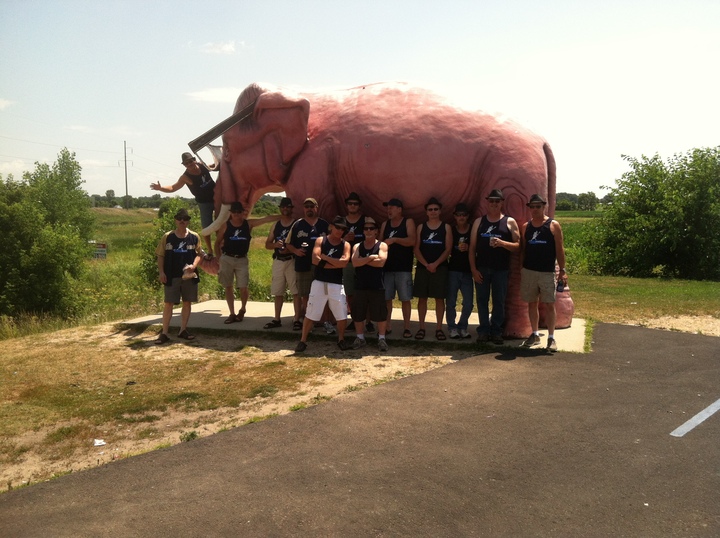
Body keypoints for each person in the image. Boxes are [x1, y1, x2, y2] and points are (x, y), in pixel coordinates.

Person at [469, 189, 521, 345]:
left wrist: (502, 243)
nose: (494, 204)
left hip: (501, 269)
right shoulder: (479, 222)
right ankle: (484, 331)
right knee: (482, 300)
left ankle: (496, 331)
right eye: (491, 201)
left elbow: (518, 246)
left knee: (499, 301)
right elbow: (472, 248)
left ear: (502, 203)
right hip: (482, 269)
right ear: (487, 202)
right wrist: (473, 269)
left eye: (497, 201)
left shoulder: (509, 222)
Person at [295, 217, 352, 352]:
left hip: (336, 283)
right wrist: (335, 263)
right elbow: (315, 259)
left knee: (341, 314)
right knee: (311, 312)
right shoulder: (321, 240)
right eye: (337, 227)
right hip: (319, 282)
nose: (340, 231)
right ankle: (303, 340)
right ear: (331, 227)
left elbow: (344, 263)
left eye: (343, 229)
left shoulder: (345, 245)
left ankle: (341, 339)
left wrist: (325, 258)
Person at [519, 193, 567, 351]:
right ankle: (534, 334)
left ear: (544, 206)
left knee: (549, 304)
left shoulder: (553, 225)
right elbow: (524, 250)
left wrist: (563, 270)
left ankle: (551, 338)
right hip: (529, 271)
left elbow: (560, 250)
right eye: (532, 207)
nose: (534, 209)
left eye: (538, 206)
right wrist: (522, 268)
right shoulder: (526, 226)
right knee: (531, 303)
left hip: (547, 272)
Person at [214, 202, 275, 324]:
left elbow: (266, 219)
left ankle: (242, 309)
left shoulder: (248, 224)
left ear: (243, 213)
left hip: (242, 259)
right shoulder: (225, 226)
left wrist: (283, 216)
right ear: (230, 213)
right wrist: (219, 258)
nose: (236, 214)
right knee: (228, 286)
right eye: (234, 212)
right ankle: (231, 313)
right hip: (227, 258)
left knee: (243, 287)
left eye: (239, 212)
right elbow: (217, 242)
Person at [154, 208, 203, 344]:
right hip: (171, 275)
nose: (182, 221)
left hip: (189, 276)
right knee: (168, 303)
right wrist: (161, 272)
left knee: (187, 302)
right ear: (175, 220)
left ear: (188, 221)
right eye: (179, 218)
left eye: (185, 219)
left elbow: (199, 254)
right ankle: (164, 333)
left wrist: (194, 265)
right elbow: (160, 255)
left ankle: (183, 330)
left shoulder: (194, 237)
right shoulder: (167, 236)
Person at [150, 152, 217, 251]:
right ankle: (210, 251)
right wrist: (160, 188)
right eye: (186, 163)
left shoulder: (202, 166)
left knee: (223, 221)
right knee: (206, 227)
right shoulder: (185, 177)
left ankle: (224, 245)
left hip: (217, 197)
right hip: (204, 203)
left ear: (194, 160)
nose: (189, 164)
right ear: (184, 165)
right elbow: (173, 188)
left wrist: (223, 161)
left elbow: (214, 166)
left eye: (190, 161)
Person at [285, 198, 329, 329]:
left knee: (323, 294)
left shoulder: (324, 225)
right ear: (303, 209)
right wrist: (296, 251)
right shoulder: (297, 225)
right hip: (302, 265)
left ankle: (323, 321)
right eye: (306, 206)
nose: (309, 208)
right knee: (305, 294)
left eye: (311, 206)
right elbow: (288, 243)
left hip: (321, 266)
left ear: (317, 207)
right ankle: (308, 321)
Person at [413, 197, 453, 340]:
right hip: (423, 267)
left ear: (440, 211)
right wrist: (426, 264)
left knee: (439, 299)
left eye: (436, 209)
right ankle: (422, 327)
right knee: (422, 298)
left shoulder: (446, 227)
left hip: (440, 267)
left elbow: (448, 249)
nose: (433, 212)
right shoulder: (421, 227)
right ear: (426, 212)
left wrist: (435, 264)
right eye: (430, 209)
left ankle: (438, 328)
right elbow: (416, 248)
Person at [349, 217, 390, 351]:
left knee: (380, 313)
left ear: (376, 231)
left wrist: (363, 260)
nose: (368, 231)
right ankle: (360, 338)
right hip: (360, 285)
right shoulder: (357, 246)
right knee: (358, 313)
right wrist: (371, 258)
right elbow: (354, 263)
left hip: (377, 285)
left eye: (371, 228)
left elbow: (381, 262)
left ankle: (382, 339)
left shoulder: (382, 245)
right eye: (366, 229)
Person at [379, 198, 416, 339]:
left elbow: (412, 240)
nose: (389, 210)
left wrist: (395, 240)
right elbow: (381, 243)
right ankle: (387, 327)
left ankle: (407, 327)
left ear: (400, 209)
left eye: (392, 207)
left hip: (403, 269)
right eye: (388, 208)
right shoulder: (385, 224)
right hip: (387, 268)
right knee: (387, 299)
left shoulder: (408, 222)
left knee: (405, 299)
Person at [263, 197, 300, 329]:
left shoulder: (296, 224)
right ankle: (277, 319)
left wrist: (290, 249)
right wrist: (275, 245)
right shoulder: (276, 225)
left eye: (288, 207)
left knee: (296, 291)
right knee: (278, 291)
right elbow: (267, 244)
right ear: (280, 208)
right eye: (283, 207)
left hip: (292, 260)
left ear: (292, 209)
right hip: (278, 261)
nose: (285, 209)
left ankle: (296, 319)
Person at [341, 192, 373, 333]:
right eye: (350, 204)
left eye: (355, 204)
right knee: (350, 293)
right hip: (348, 262)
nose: (352, 206)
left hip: (364, 261)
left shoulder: (366, 220)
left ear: (359, 206)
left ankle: (369, 321)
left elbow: (374, 236)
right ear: (347, 206)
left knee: (366, 292)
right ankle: (355, 320)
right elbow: (334, 241)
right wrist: (344, 238)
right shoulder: (341, 222)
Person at [446, 203, 474, 339]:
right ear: (455, 217)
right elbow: (446, 248)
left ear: (468, 216)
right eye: (459, 215)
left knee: (468, 303)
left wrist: (470, 248)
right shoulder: (451, 230)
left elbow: (478, 248)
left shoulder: (472, 229)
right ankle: (452, 328)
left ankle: (462, 326)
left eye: (464, 215)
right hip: (453, 270)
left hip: (468, 271)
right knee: (451, 301)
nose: (461, 217)